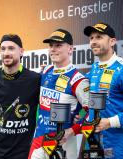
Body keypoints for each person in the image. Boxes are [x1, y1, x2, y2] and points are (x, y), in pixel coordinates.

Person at [28, 29, 89, 159]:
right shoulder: (46, 70)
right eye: (51, 46)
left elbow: (94, 113)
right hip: (39, 139)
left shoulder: (78, 80)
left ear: (70, 49)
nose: (53, 49)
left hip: (63, 143)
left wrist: (71, 131)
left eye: (58, 45)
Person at [84, 22, 123, 158]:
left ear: (112, 41)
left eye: (99, 37)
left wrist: (110, 122)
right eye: (91, 38)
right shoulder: (93, 69)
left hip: (118, 146)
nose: (93, 42)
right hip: (93, 145)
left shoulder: (121, 69)